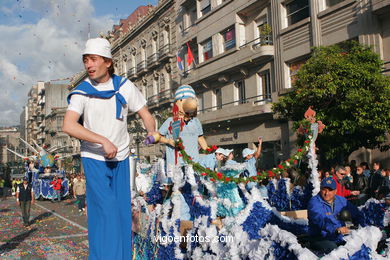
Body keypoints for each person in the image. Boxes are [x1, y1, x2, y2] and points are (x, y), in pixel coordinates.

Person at [63, 37, 156, 260]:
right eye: (85, 60)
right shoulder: (81, 91)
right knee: (106, 210)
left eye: (93, 59)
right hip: (94, 157)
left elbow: (146, 114)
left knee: (122, 214)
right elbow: (69, 125)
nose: (88, 65)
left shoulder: (125, 86)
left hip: (122, 157)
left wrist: (151, 131)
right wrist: (102, 140)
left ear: (108, 62)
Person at [307, 177, 366, 253]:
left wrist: (362, 228)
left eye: (330, 190)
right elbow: (321, 219)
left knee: (358, 247)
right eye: (324, 189)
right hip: (320, 238)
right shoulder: (314, 202)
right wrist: (336, 228)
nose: (326, 193)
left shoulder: (342, 200)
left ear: (335, 191)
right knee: (338, 252)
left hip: (339, 237)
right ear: (320, 189)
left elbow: (357, 214)